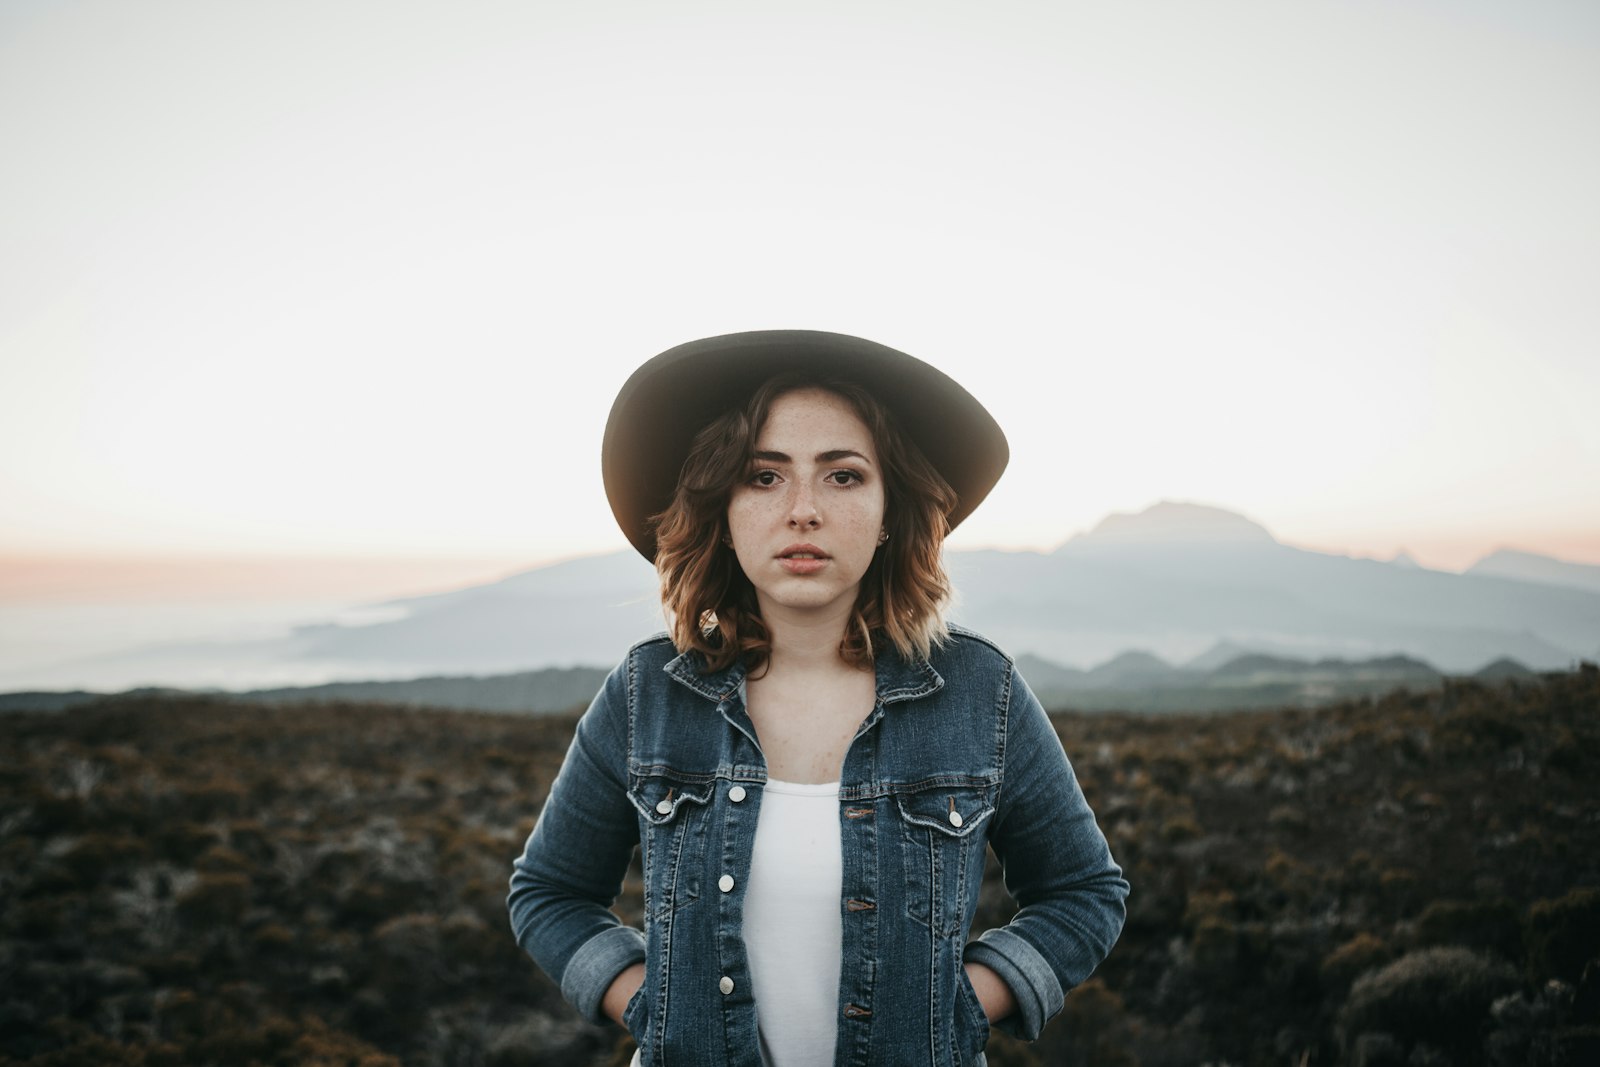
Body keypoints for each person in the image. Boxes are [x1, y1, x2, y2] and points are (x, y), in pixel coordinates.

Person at [508, 330, 1128, 1067]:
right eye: (764, 477)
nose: (803, 510)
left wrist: (962, 1005)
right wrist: (653, 1004)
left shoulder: (978, 693)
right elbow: (548, 891)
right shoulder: (649, 694)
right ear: (724, 512)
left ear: (891, 506)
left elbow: (1085, 892)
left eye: (842, 476)